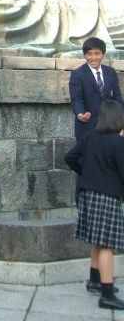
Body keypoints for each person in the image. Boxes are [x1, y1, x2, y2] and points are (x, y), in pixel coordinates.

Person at [65, 99, 124, 310]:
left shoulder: (89, 137)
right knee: (107, 244)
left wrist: (87, 174)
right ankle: (107, 294)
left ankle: (94, 280)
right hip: (106, 196)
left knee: (97, 240)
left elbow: (69, 157)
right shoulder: (118, 143)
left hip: (88, 194)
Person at [69, 37, 123, 141]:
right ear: (85, 55)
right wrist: (80, 114)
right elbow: (76, 99)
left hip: (110, 126)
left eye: (97, 53)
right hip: (87, 128)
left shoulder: (110, 72)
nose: (93, 57)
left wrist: (121, 123)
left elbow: (118, 99)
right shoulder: (78, 74)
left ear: (103, 54)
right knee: (88, 157)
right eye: (89, 54)